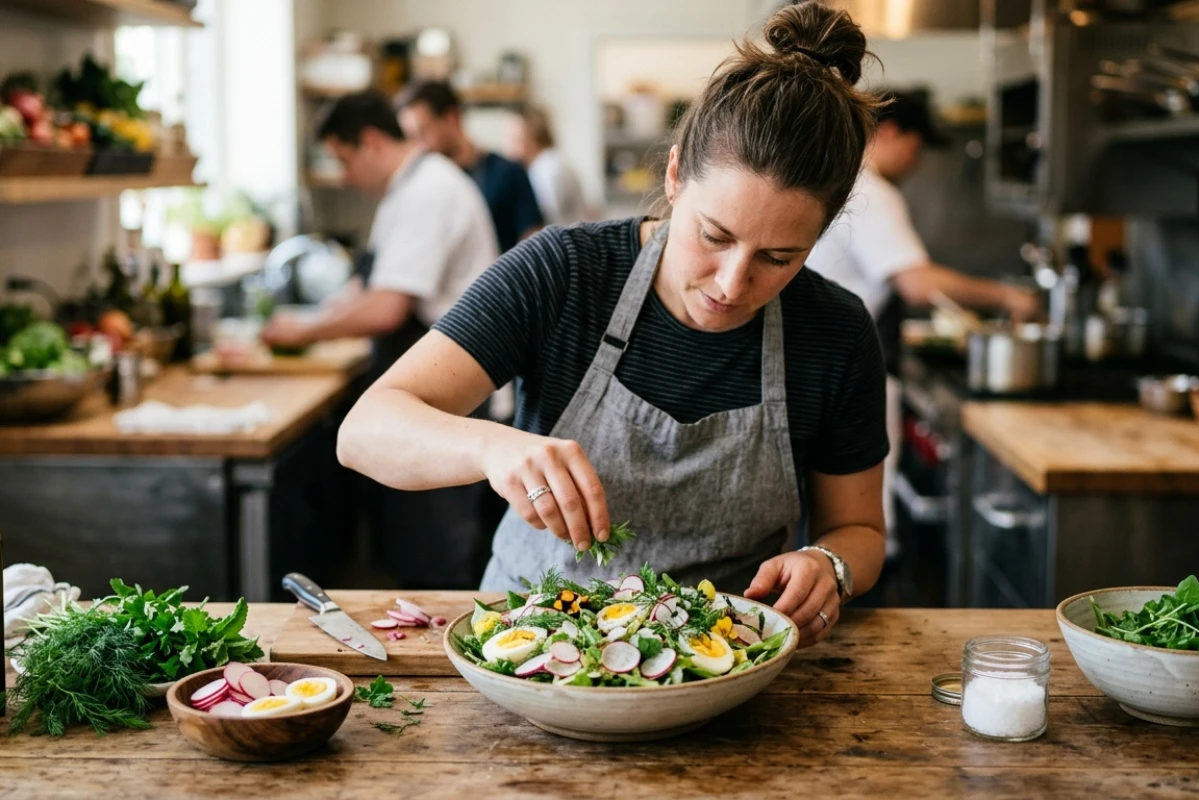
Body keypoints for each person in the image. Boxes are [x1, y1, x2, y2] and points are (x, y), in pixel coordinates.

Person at [340, 0, 886, 645]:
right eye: (713, 235)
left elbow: (860, 531)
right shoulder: (566, 272)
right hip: (529, 649)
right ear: (677, 175)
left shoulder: (835, 331)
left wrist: (831, 565)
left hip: (720, 658)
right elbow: (365, 432)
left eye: (779, 257)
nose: (733, 284)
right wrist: (490, 446)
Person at [264, 91, 499, 589]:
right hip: (430, 384)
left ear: (370, 142)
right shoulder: (407, 190)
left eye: (345, 160)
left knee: (436, 553)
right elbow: (369, 285)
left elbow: (389, 306)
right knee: (414, 545)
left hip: (450, 391)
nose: (345, 176)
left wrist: (303, 330)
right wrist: (321, 314)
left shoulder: (429, 191)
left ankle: (447, 658)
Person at [804, 89, 1039, 551]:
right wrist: (1009, 297)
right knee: (856, 534)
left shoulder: (848, 183)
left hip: (822, 371)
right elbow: (917, 282)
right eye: (916, 146)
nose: (916, 161)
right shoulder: (870, 190)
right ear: (890, 132)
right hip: (835, 375)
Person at [398, 81, 545, 253]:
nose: (418, 145)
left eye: (423, 131)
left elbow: (535, 247)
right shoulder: (421, 186)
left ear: (451, 118)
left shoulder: (508, 173)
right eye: (411, 136)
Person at [502, 106, 589, 226]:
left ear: (531, 137)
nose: (507, 146)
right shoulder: (541, 167)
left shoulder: (549, 170)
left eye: (512, 138)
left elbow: (542, 218)